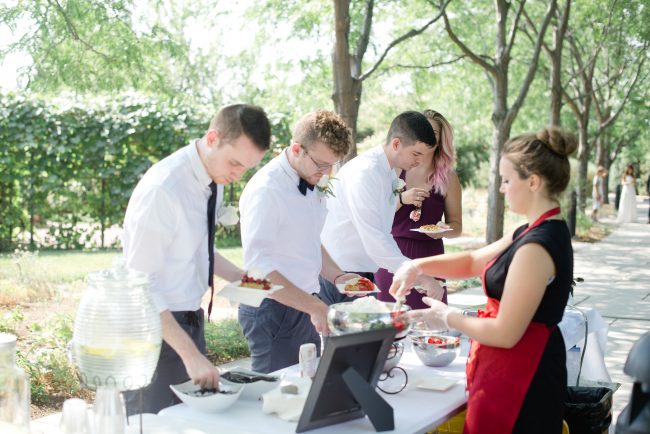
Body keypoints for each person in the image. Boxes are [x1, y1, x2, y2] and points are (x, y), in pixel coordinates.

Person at [390, 127, 577, 434]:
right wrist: (416, 266)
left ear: (532, 181)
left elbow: (505, 333)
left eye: (506, 180)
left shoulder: (536, 247)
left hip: (523, 378)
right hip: (508, 368)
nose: (502, 189)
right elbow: (473, 261)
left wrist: (447, 316)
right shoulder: (529, 231)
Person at [121, 104, 271, 415]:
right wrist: (191, 355)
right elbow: (139, 285)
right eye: (234, 163)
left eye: (246, 168)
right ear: (213, 137)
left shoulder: (211, 179)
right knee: (152, 424)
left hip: (189, 322)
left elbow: (199, 249)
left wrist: (248, 282)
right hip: (151, 331)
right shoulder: (164, 189)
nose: (237, 174)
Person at [238, 110, 359, 373]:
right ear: (296, 149)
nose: (326, 173)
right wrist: (314, 306)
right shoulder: (267, 190)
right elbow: (257, 270)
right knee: (277, 395)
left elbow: (309, 240)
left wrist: (338, 276)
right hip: (270, 309)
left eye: (332, 165)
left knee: (306, 384)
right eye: (321, 164)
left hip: (304, 302)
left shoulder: (310, 178)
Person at [319, 111, 444, 307]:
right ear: (396, 144)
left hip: (362, 270)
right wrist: (418, 274)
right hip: (342, 274)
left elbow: (383, 230)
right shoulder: (365, 173)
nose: (419, 161)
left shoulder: (387, 172)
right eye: (416, 154)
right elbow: (374, 237)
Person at [374, 110, 462, 309]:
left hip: (431, 256)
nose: (425, 135)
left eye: (433, 132)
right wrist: (402, 199)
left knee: (429, 323)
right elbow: (378, 214)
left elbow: (456, 227)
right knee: (390, 322)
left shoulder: (449, 178)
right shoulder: (395, 170)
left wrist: (444, 229)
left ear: (440, 140)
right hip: (392, 253)